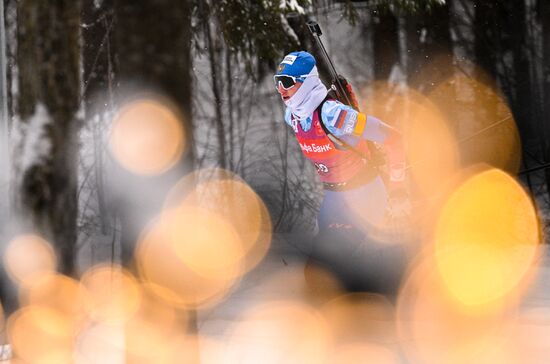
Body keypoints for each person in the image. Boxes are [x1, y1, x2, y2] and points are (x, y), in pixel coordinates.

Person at [275, 51, 408, 294]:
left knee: (329, 271)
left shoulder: (334, 115)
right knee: (318, 274)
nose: (281, 89)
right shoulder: (292, 116)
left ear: (306, 83)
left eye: (287, 82)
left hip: (363, 195)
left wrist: (398, 186)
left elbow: (393, 138)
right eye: (278, 81)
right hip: (334, 199)